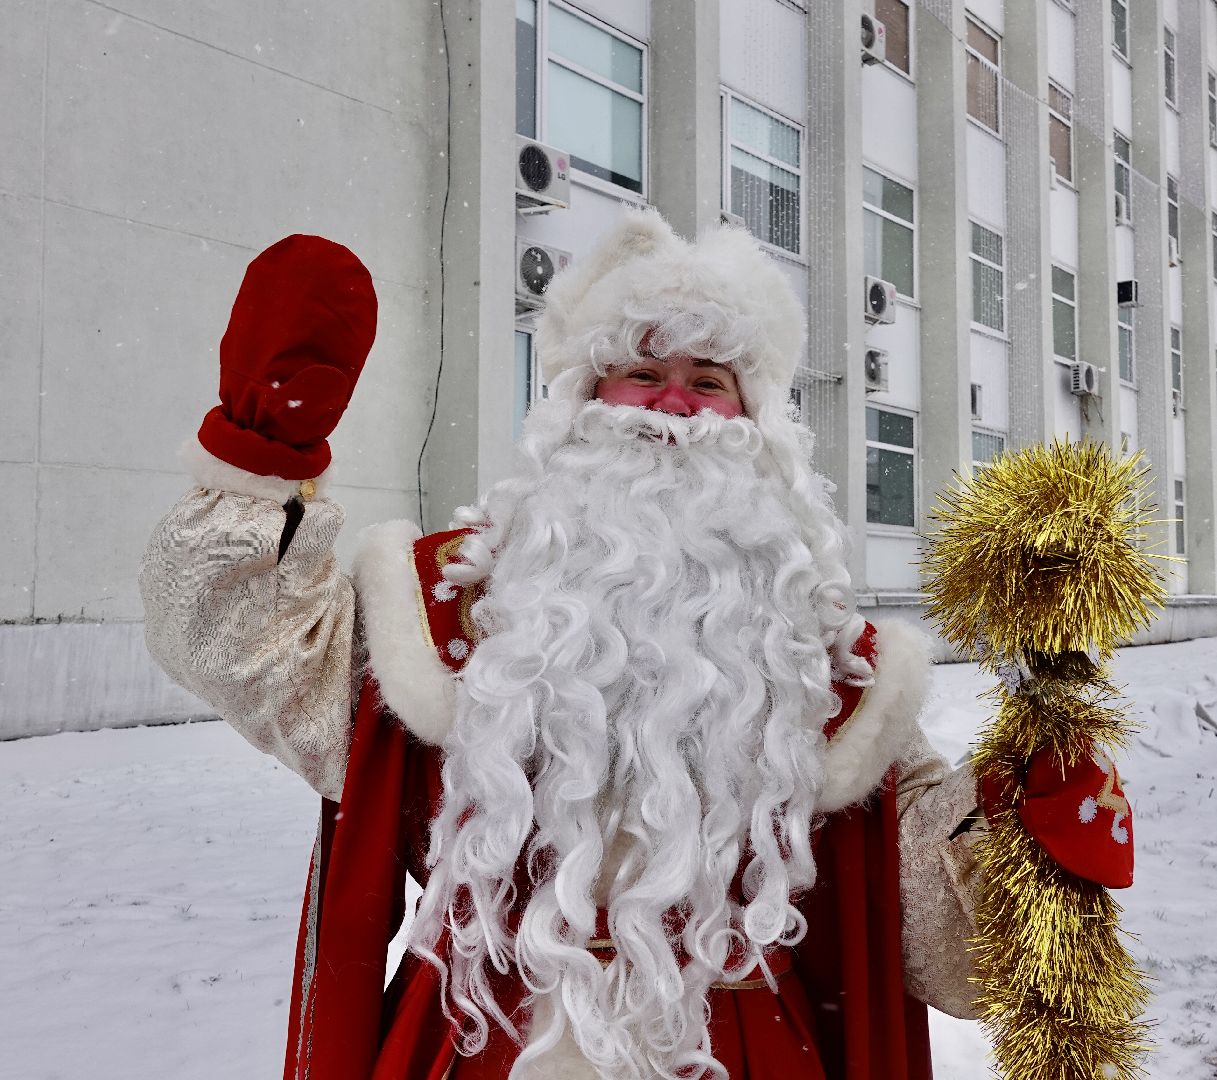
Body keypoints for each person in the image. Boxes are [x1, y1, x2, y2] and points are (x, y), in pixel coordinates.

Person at [140, 212, 985, 1080]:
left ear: (753, 418)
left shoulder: (819, 652)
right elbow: (242, 650)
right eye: (642, 373)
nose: (673, 406)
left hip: (739, 1051)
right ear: (584, 403)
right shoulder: (444, 612)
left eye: (708, 380)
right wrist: (261, 458)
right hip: (486, 1038)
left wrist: (1017, 824)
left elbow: (917, 897)